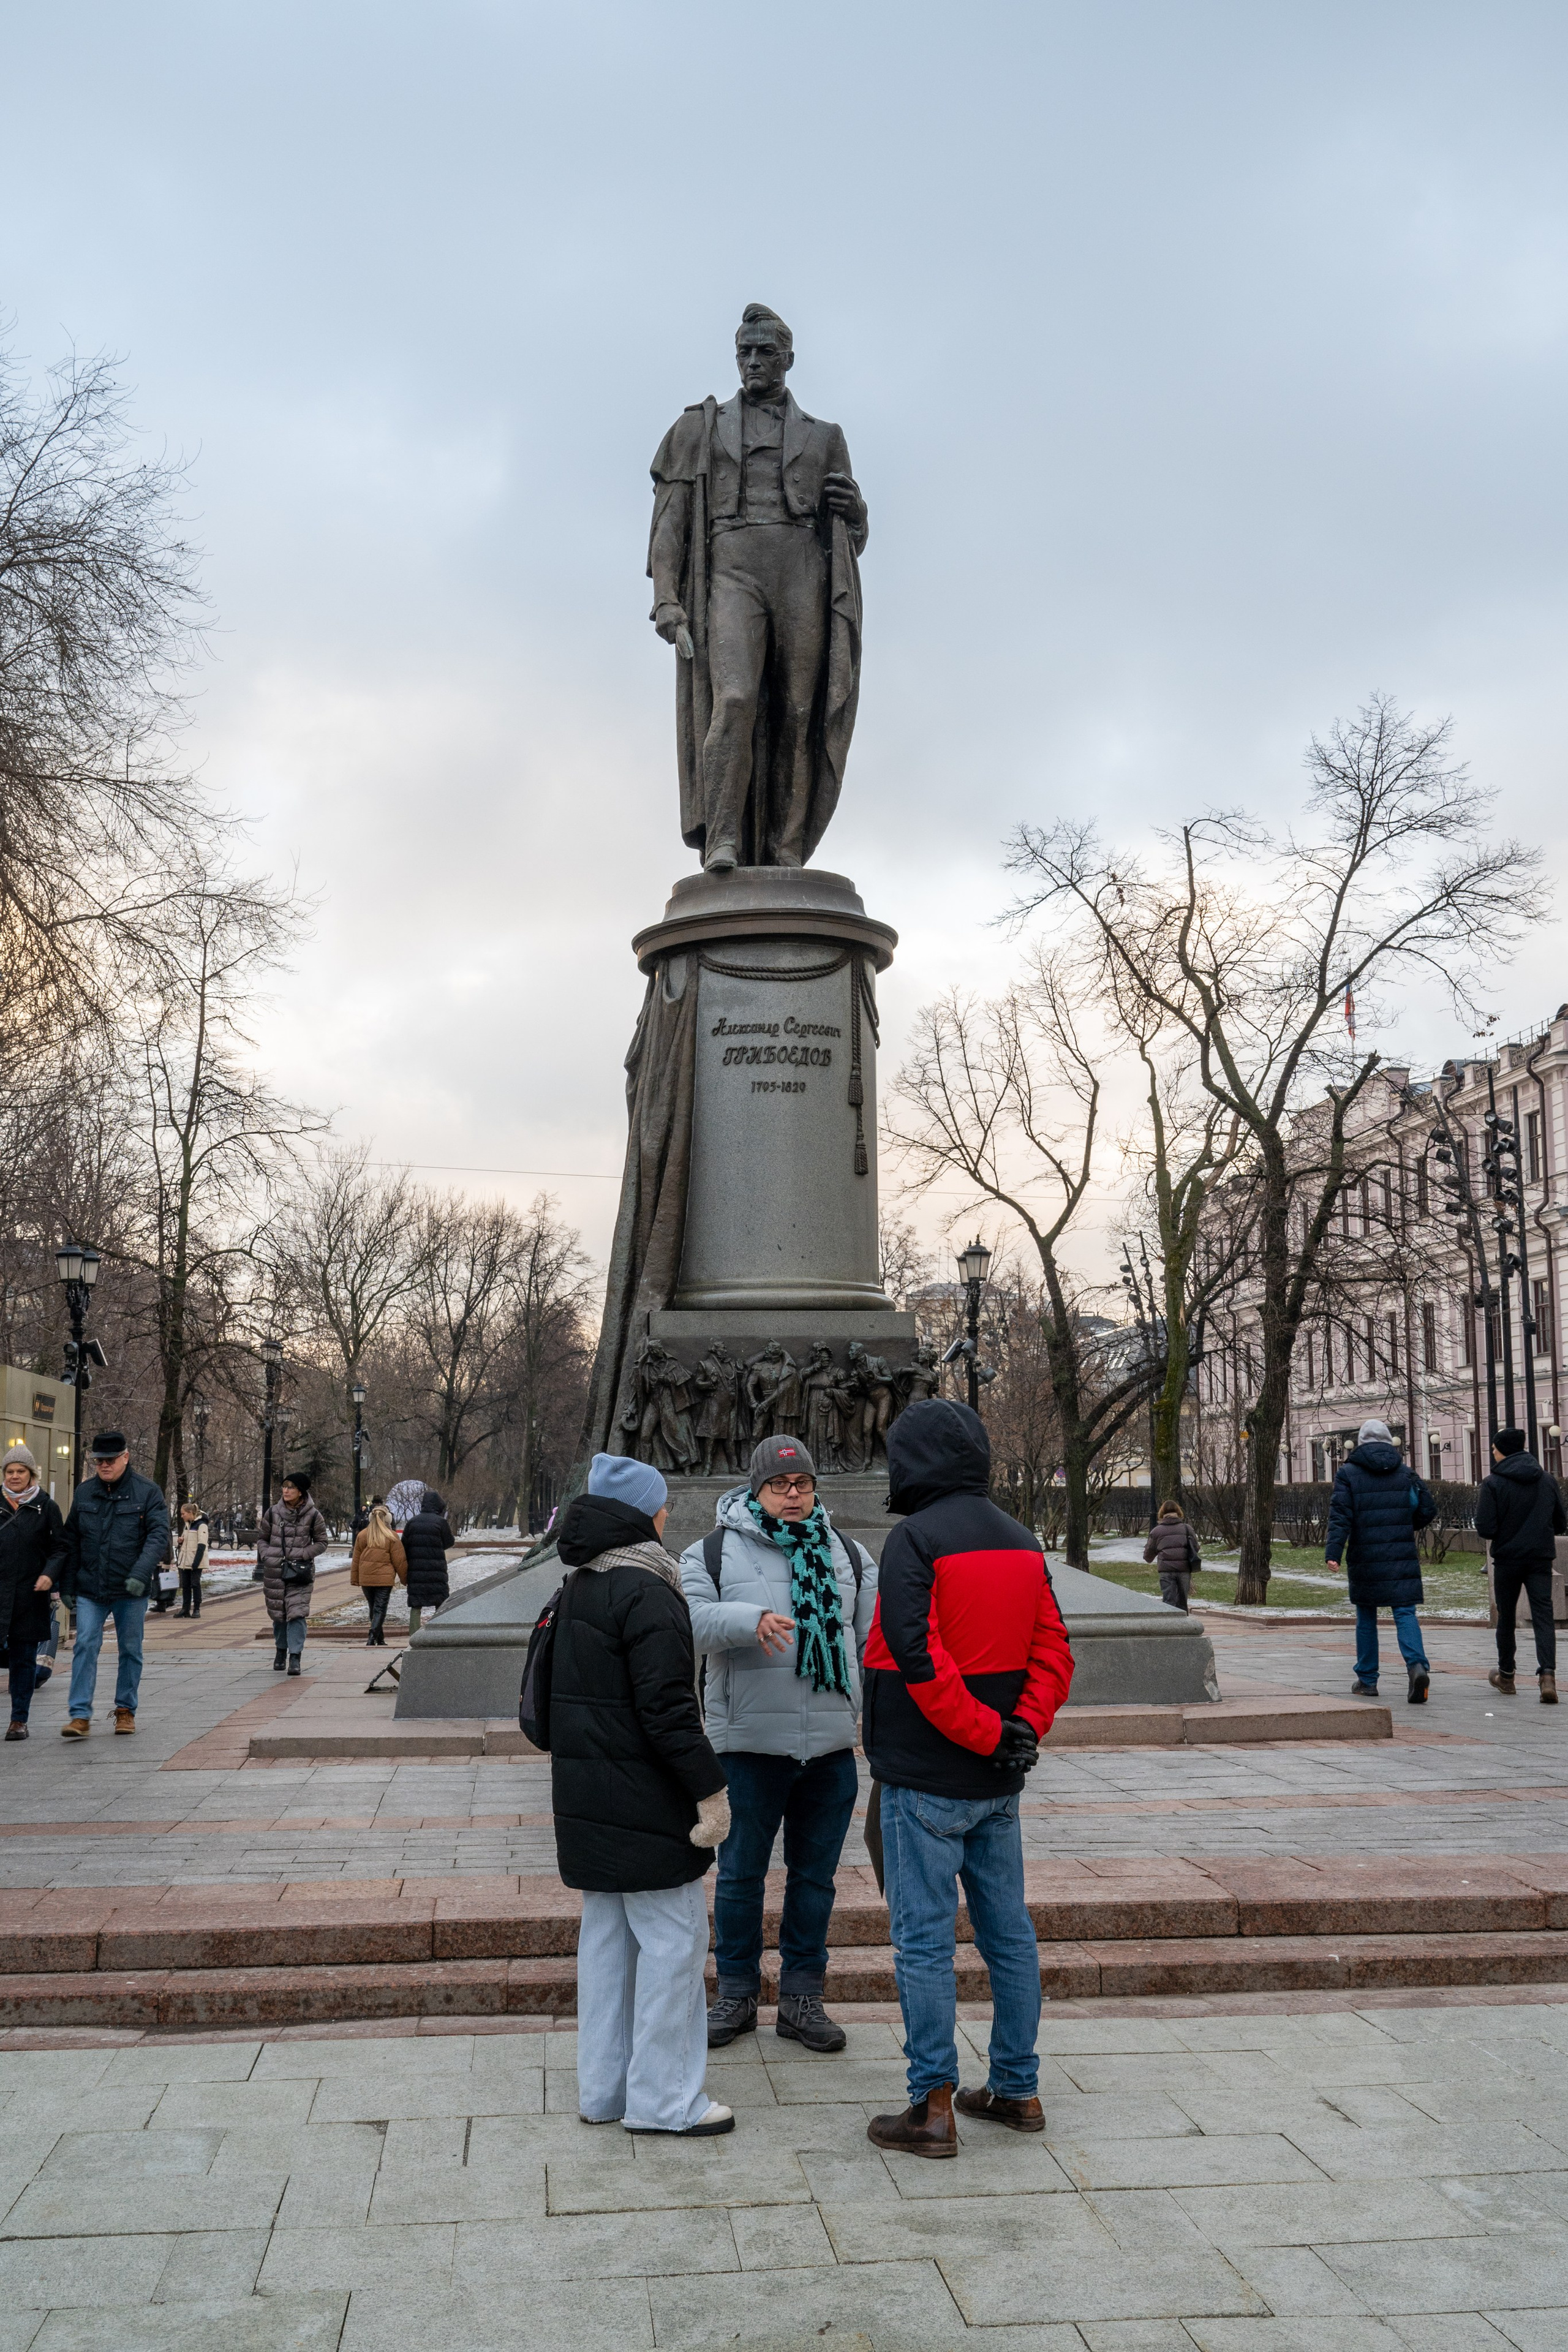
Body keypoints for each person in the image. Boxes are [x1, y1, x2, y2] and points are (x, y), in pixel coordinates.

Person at [861, 1398, 1074, 2158]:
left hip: (925, 1776)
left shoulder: (913, 1540)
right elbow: (1055, 1649)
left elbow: (916, 1656)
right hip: (997, 1786)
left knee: (923, 1942)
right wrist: (1022, 1733)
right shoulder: (1021, 1540)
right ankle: (1017, 2089)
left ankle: (932, 2106)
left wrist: (987, 1735)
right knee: (1008, 1935)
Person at [552, 1453, 734, 2136]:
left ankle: (602, 2091)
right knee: (672, 1947)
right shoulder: (649, 1589)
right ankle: (664, 2102)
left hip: (590, 1799)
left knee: (606, 1948)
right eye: (661, 1506)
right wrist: (709, 1789)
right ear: (643, 1514)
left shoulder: (577, 1585)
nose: (668, 1515)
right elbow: (669, 1712)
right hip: (649, 1803)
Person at [681, 1434, 878, 2056]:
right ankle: (735, 1994)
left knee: (814, 1879)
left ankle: (801, 1999)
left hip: (827, 1747)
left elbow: (871, 1641)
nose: (792, 1496)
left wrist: (868, 1718)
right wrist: (749, 1620)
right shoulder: (710, 1552)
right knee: (739, 1876)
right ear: (755, 1489)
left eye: (802, 1485)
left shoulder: (847, 1553)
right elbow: (688, 1620)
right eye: (779, 1486)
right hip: (747, 1746)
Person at [59, 1430, 170, 1738]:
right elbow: (72, 1541)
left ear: (126, 1457)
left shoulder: (147, 1492)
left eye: (109, 1460)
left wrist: (140, 1574)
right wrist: (67, 1584)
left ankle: (125, 1711)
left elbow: (158, 1537)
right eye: (98, 1461)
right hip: (90, 1588)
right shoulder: (84, 1493)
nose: (104, 1466)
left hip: (130, 1590)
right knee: (84, 1645)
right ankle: (80, 1715)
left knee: (130, 1650)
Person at [1324, 1417, 1437, 1703]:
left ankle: (1367, 1680)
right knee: (1405, 1612)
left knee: (1366, 1615)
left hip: (1365, 1554)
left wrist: (1333, 1553)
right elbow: (1426, 1509)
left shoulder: (1348, 1473)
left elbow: (1341, 1517)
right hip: (1401, 1554)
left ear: (1361, 1443)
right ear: (1389, 1442)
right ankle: (1417, 1667)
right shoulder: (1404, 1472)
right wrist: (1404, 1524)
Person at [1477, 1427, 1566, 1703]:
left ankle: (1506, 1676)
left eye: (1493, 1449)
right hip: (1540, 1558)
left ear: (1502, 1449)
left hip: (1507, 1560)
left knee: (1506, 1617)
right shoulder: (1547, 1480)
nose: (1492, 1454)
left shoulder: (1493, 1483)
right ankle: (1548, 1676)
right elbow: (1561, 1523)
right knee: (1543, 1616)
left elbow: (1485, 1528)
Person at [0, 1447, 67, 1741]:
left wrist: (49, 1574)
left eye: (21, 1472)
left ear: (31, 1475)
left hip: (29, 1594)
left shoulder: (46, 1507)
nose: (15, 1476)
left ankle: (18, 1721)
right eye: (10, 1472)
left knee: (24, 1660)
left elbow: (60, 1548)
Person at [255, 1472, 329, 1675]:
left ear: (301, 1492)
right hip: (275, 1572)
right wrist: (267, 1554)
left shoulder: (314, 1515)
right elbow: (262, 1539)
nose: (286, 1491)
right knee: (279, 1614)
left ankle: (295, 1657)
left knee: (296, 1614)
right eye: (284, 1487)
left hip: (300, 1573)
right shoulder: (272, 1513)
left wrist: (303, 1554)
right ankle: (281, 1651)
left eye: (291, 1487)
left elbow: (322, 1543)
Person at [351, 1502, 407, 1646]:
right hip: (385, 1579)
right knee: (380, 1608)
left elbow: (356, 1559)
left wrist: (355, 1578)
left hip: (366, 1578)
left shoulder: (363, 1535)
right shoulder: (392, 1537)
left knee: (373, 1608)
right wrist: (405, 1578)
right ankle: (372, 1636)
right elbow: (399, 1561)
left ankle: (379, 1638)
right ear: (388, 1519)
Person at [401, 1490, 454, 1633]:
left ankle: (413, 1634)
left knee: (416, 1605)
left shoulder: (412, 1523)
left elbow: (404, 1545)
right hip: (436, 1571)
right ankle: (438, 1632)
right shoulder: (441, 1522)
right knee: (440, 1602)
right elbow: (449, 1542)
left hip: (416, 1571)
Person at [1144, 1501, 1201, 1613]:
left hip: (1166, 1570)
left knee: (1169, 1601)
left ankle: (1169, 1626)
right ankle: (1183, 1627)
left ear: (1162, 1513)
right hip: (1184, 1570)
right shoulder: (1187, 1528)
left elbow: (1148, 1556)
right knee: (1183, 1601)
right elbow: (1196, 1548)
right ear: (1179, 1512)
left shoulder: (1157, 1531)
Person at [175, 1501, 209, 1618]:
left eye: (183, 1514)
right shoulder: (187, 1525)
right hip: (185, 1561)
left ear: (190, 1513)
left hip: (195, 1561)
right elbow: (187, 1542)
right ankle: (185, 1609)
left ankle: (197, 1609)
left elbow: (202, 1545)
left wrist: (196, 1562)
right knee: (186, 1585)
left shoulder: (201, 1525)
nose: (182, 1516)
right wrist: (181, 1542)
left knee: (195, 1584)